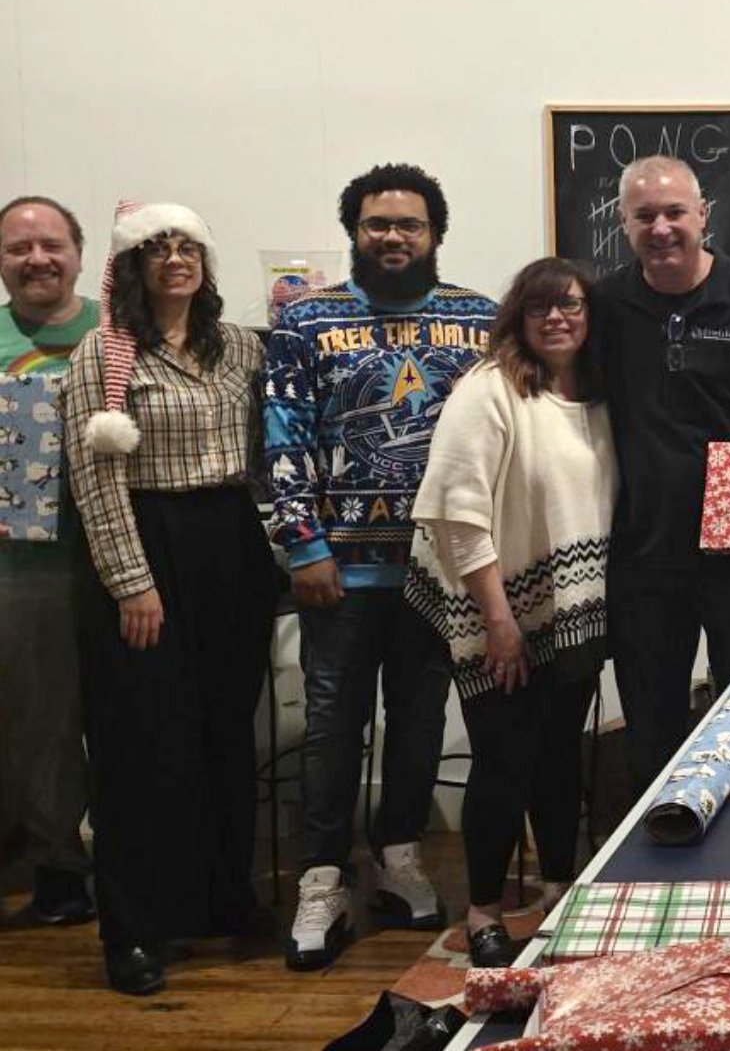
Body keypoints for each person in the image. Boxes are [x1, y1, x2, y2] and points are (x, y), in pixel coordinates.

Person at [265, 163, 496, 970]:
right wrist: (303, 544)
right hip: (337, 571)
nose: (393, 237)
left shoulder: (480, 320)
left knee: (421, 717)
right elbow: (283, 436)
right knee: (333, 725)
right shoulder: (306, 321)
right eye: (377, 224)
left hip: (437, 571)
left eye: (409, 225)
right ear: (354, 233)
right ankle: (323, 876)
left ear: (435, 234)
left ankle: (400, 853)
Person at [61, 202, 276, 994]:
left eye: (188, 247)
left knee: (225, 729)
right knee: (141, 741)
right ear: (133, 265)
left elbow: (268, 450)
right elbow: (96, 478)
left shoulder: (240, 347)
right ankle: (135, 926)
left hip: (230, 543)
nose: (176, 259)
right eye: (158, 248)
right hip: (148, 538)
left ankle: (221, 895)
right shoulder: (104, 352)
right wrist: (132, 582)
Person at [405, 258, 613, 968]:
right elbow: (457, 513)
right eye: (540, 307)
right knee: (502, 762)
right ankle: (484, 911)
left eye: (572, 305)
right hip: (498, 610)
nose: (557, 319)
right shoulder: (490, 389)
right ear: (517, 318)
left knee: (558, 757)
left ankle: (557, 890)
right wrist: (499, 622)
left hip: (571, 611)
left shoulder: (600, 394)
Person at [592, 156, 730, 793]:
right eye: (644, 216)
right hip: (640, 557)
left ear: (703, 215)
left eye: (675, 212)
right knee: (651, 730)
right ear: (623, 223)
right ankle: (658, 845)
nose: (661, 228)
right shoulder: (604, 307)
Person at [0, 195, 97, 926]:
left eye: (51, 244)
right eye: (18, 248)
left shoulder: (117, 329)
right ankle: (58, 867)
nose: (37, 259)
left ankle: (138, 862)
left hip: (121, 553)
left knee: (129, 717)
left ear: (78, 253)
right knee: (40, 719)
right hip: (23, 568)